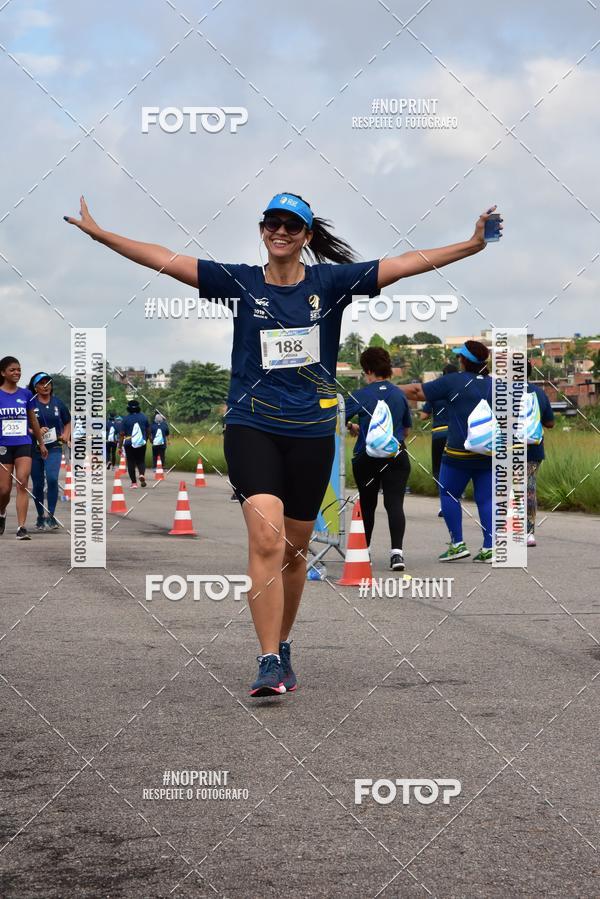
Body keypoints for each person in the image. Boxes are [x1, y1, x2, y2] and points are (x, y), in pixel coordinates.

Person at [66, 192, 501, 695]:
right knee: (268, 538)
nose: (281, 232)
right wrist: (101, 236)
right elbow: (165, 259)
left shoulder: (331, 284)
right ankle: (268, 658)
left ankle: (284, 643)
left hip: (311, 432)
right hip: (251, 425)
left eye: (292, 226)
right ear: (261, 230)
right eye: (272, 223)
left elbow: (403, 264)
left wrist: (470, 246)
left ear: (306, 236)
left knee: (294, 552)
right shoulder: (240, 282)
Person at [401, 340, 495, 562]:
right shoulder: (496, 385)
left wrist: (384, 387)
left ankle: (457, 544)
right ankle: (490, 547)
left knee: (449, 494)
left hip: (457, 453)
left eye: (459, 357)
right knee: (486, 499)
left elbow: (416, 391)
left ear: (463, 360)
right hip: (488, 453)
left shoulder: (453, 381)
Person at [345, 347, 412, 571]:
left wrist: (353, 427)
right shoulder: (399, 394)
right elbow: (406, 430)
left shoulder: (360, 395)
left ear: (368, 370)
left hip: (366, 458)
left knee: (368, 503)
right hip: (396, 457)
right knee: (395, 504)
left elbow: (338, 417)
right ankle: (397, 554)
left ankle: (365, 552)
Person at [0, 357, 48, 539]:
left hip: (23, 443)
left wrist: (41, 443)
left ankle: (21, 528)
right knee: (4, 489)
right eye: (12, 370)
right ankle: (2, 511)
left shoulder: (26, 395)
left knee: (22, 482)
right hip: (3, 445)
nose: (17, 373)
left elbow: (33, 420)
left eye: (19, 370)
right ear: (3, 372)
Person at [27, 372, 71, 531]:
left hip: (54, 448)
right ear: (35, 386)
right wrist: (35, 430)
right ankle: (40, 516)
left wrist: (66, 435)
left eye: (48, 383)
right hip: (34, 449)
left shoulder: (58, 403)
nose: (45, 386)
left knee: (52, 479)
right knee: (37, 484)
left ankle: (51, 516)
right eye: (41, 383)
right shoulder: (30, 403)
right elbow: (24, 424)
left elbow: (68, 421)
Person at [420, 362, 458, 516]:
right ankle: (455, 498)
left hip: (439, 435)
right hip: (456, 435)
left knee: (439, 470)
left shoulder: (436, 392)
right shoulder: (459, 391)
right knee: (456, 468)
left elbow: (423, 416)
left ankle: (444, 504)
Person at [525, 360, 554, 546]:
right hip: (533, 449)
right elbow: (550, 423)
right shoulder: (539, 393)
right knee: (529, 490)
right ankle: (529, 533)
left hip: (507, 450)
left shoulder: (501, 393)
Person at [118, 399, 150, 488]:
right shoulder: (144, 417)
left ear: (128, 408)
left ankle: (134, 483)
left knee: (131, 462)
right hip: (141, 443)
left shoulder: (125, 419)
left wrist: (120, 446)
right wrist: (146, 440)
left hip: (129, 443)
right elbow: (148, 431)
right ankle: (142, 474)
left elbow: (121, 434)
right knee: (141, 460)